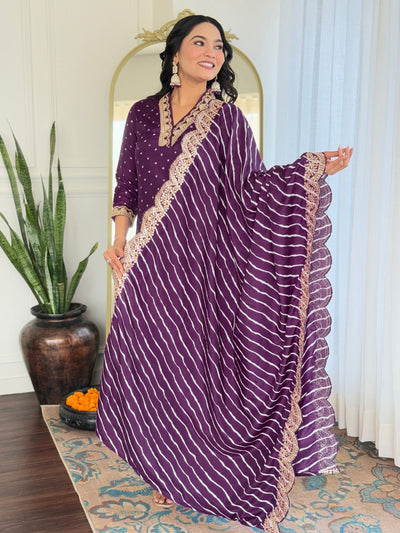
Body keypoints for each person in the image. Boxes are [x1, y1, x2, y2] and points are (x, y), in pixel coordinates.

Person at [97, 14, 353, 532]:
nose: (212, 53)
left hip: (203, 268)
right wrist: (120, 240)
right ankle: (159, 464)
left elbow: (251, 189)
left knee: (190, 370)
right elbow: (127, 183)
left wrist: (310, 170)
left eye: (218, 46)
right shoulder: (143, 113)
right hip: (150, 261)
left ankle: (190, 470)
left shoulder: (229, 120)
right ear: (176, 53)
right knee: (150, 365)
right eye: (200, 42)